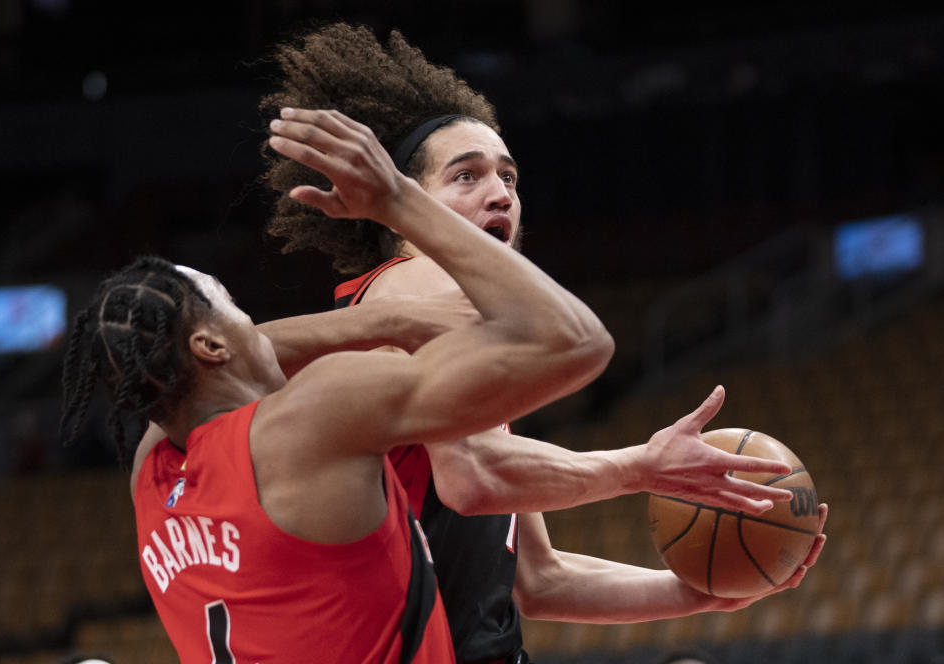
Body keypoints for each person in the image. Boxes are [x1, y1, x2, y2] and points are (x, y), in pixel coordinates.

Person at [260, 23, 828, 664]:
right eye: (466, 177)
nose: (501, 193)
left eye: (508, 177)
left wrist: (696, 593)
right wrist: (639, 467)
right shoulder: (415, 285)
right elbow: (471, 478)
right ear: (403, 202)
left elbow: (538, 578)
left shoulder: (467, 328)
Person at [59, 107, 614, 663]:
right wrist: (398, 202)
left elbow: (199, 367)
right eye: (232, 305)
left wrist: (379, 322)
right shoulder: (316, 419)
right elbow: (576, 341)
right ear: (209, 347)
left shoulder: (151, 469)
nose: (253, 321)